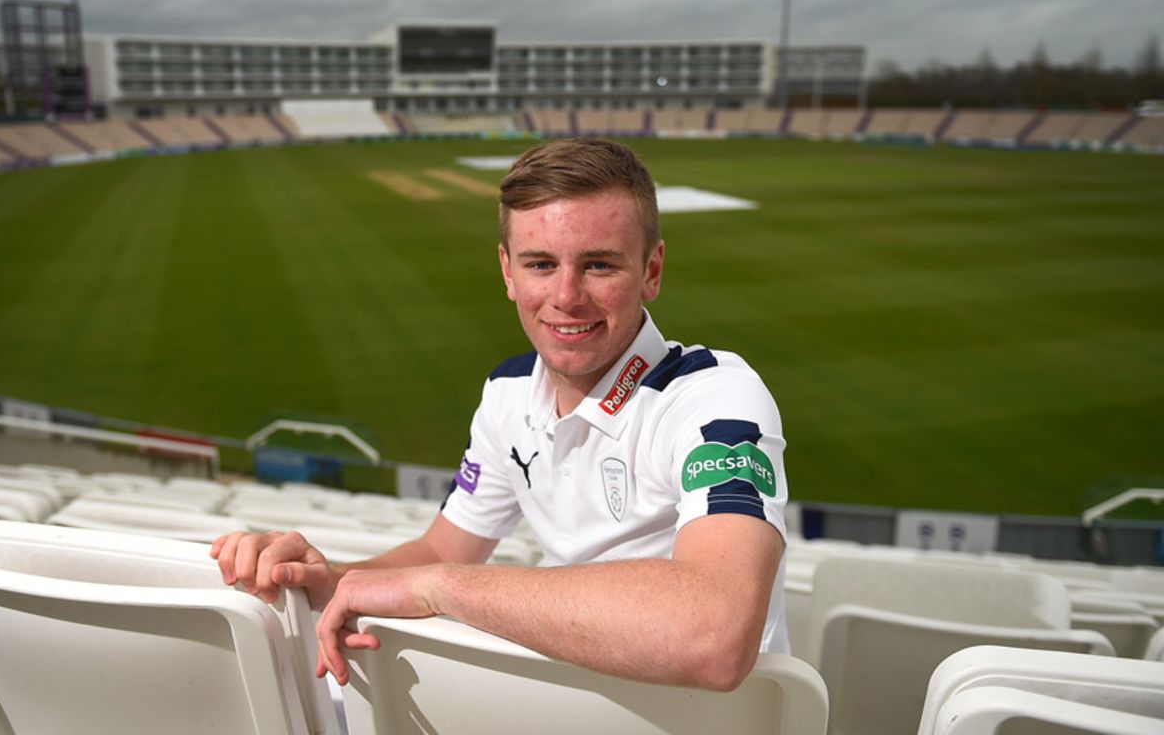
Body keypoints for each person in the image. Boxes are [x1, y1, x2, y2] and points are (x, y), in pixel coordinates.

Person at [212, 137, 789, 692]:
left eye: (599, 266)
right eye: (540, 264)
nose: (566, 296)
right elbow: (440, 551)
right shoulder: (508, 393)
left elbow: (714, 636)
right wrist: (327, 580)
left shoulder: (715, 399)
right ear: (508, 272)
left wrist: (441, 589)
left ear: (652, 270)